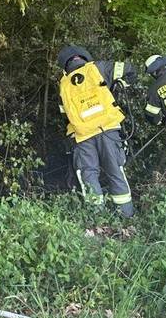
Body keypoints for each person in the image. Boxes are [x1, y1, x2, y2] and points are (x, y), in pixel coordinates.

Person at [56, 45, 137, 217]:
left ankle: (96, 219)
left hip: (82, 136)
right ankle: (126, 216)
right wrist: (119, 85)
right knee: (115, 171)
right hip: (108, 129)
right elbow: (131, 70)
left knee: (89, 175)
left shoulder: (63, 84)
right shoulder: (99, 68)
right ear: (84, 57)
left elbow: (65, 115)